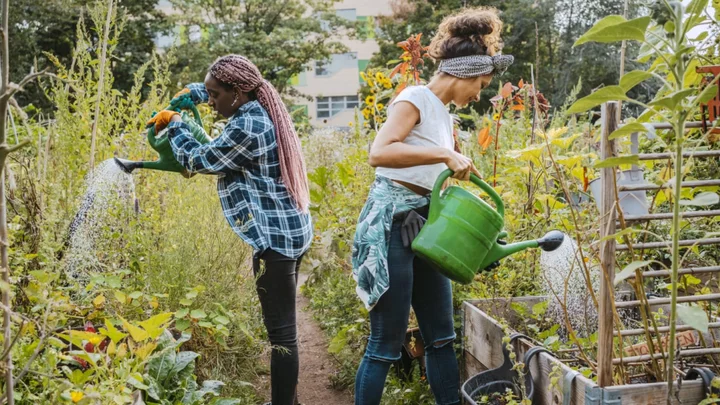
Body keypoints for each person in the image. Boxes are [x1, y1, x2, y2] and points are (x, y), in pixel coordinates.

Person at [351, 7, 513, 405]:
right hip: (391, 225)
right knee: (385, 343)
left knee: (441, 337)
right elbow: (380, 152)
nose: (479, 94)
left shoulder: (444, 116)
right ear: (462, 73)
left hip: (427, 224)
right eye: (480, 83)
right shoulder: (415, 98)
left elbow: (434, 185)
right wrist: (443, 154)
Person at [146, 54, 312, 405]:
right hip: (287, 229)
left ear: (236, 92)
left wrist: (175, 124)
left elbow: (201, 159)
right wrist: (195, 92)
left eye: (214, 95)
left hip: (275, 240)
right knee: (282, 330)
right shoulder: (253, 107)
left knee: (282, 335)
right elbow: (218, 102)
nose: (211, 102)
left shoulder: (247, 125)